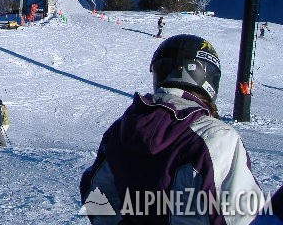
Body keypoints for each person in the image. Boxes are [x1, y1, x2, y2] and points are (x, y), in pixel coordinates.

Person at [80, 34, 264, 224]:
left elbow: (96, 193)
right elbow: (243, 215)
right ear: (208, 77)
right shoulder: (215, 138)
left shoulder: (121, 130)